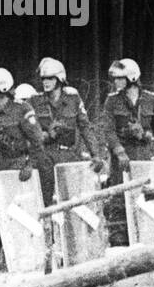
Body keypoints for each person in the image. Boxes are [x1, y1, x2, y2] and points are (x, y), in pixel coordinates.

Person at [31, 57, 104, 205]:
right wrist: (46, 136)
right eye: (44, 78)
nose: (46, 82)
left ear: (60, 79)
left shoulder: (73, 99)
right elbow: (29, 131)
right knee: (44, 200)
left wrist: (95, 154)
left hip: (68, 154)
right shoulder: (34, 101)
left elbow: (85, 127)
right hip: (45, 156)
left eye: (50, 78)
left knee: (72, 198)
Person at [0, 67, 47, 181]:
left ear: (2, 87)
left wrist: (30, 165)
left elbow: (37, 139)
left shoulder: (22, 108)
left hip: (16, 166)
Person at [100, 58, 154, 173]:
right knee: (119, 184)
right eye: (115, 78)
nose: (116, 81)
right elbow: (108, 130)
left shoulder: (150, 99)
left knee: (144, 183)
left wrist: (147, 137)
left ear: (132, 78)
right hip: (121, 156)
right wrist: (119, 151)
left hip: (143, 154)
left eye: (120, 78)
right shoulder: (112, 100)